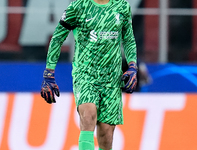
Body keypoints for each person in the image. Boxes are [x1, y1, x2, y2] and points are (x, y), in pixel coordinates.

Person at [40, 0, 137, 149]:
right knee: (88, 113)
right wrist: (48, 73)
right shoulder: (78, 6)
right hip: (85, 74)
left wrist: (132, 66)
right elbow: (57, 38)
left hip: (111, 78)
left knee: (106, 133)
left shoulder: (122, 6)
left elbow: (129, 39)